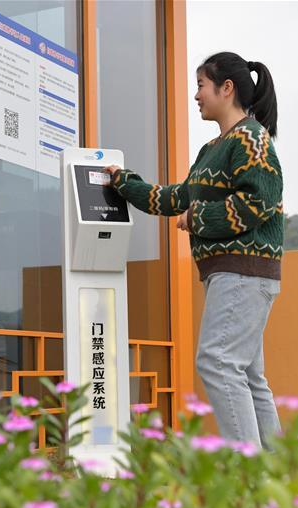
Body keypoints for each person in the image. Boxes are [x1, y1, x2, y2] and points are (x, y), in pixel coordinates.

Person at [104, 51, 283, 450]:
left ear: (226, 88)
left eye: (201, 85)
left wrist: (198, 217)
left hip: (243, 272)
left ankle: (249, 472)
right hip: (236, 274)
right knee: (247, 376)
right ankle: (277, 474)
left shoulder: (251, 138)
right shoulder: (212, 149)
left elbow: (259, 202)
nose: (196, 95)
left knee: (217, 363)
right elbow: (175, 198)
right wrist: (124, 182)